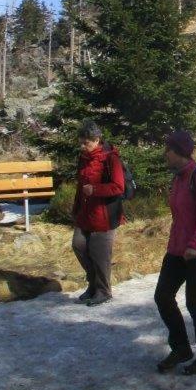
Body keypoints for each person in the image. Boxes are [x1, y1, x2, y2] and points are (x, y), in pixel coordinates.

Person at [155, 130, 196, 376]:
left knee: (194, 303)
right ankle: (181, 348)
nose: (165, 154)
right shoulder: (178, 178)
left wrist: (194, 243)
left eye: (168, 150)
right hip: (177, 249)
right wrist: (176, 244)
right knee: (162, 296)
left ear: (179, 151)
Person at [71, 120, 125, 306]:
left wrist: (95, 190)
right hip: (85, 213)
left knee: (100, 254)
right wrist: (76, 208)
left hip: (105, 215)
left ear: (96, 140)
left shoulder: (111, 158)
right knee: (78, 244)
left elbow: (118, 187)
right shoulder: (83, 158)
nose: (82, 146)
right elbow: (80, 186)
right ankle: (93, 284)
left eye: (85, 142)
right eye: (81, 142)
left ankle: (103, 290)